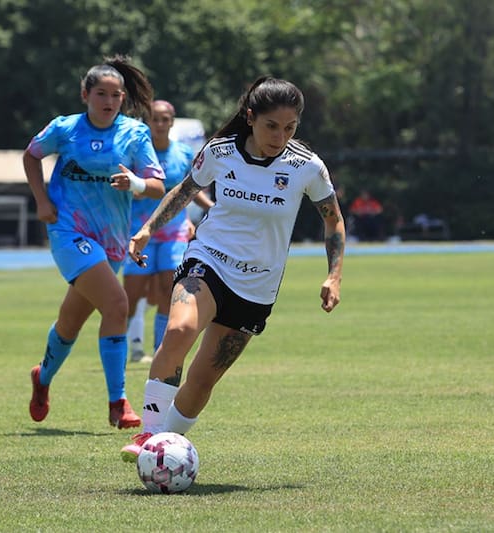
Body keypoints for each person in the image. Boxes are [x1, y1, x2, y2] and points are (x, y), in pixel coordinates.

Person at [119, 76, 345, 462]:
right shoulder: (221, 152)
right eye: (272, 126)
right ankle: (150, 436)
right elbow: (186, 190)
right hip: (208, 260)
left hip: (257, 286)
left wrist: (333, 274)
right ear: (251, 117)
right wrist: (147, 230)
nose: (280, 136)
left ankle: (162, 450)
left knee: (204, 379)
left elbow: (333, 219)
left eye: (290, 128)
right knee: (178, 329)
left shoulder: (306, 166)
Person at [22, 55, 166, 429]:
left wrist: (134, 184)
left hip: (112, 241)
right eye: (101, 93)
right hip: (69, 232)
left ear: (122, 99)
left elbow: (157, 186)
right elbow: (31, 155)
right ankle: (118, 403)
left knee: (70, 323)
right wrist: (41, 199)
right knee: (117, 305)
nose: (108, 100)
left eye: (115, 95)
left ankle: (43, 378)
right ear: (85, 94)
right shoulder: (65, 129)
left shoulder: (134, 133)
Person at [124, 100, 214, 364]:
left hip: (174, 232)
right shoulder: (136, 153)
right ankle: (126, 347)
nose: (160, 124)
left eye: (165, 119)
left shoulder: (184, 154)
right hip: (140, 231)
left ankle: (159, 349)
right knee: (132, 294)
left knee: (168, 289)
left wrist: (213, 208)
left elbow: (189, 190)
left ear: (172, 122)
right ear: (147, 122)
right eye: (155, 119)